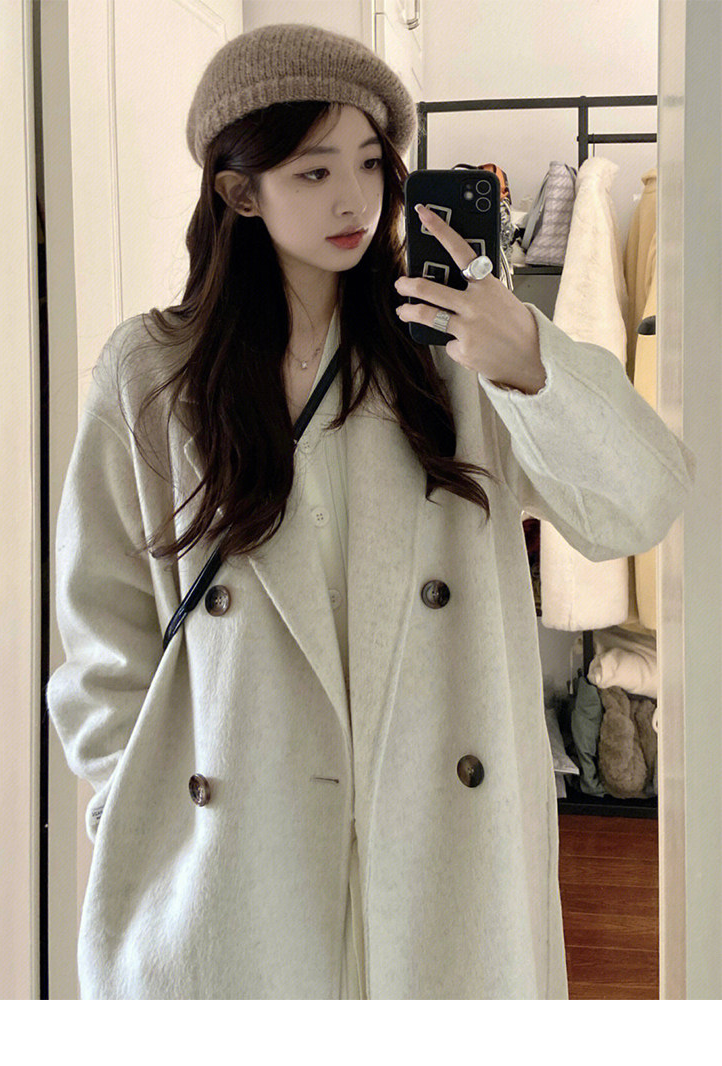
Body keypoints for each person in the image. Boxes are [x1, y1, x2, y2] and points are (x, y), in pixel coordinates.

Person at [47, 22, 695, 1000]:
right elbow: (101, 627)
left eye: (369, 162)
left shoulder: (454, 352)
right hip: (230, 873)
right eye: (313, 172)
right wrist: (135, 804)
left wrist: (533, 363)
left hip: (443, 872)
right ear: (240, 191)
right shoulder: (154, 372)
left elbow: (641, 506)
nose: (355, 200)